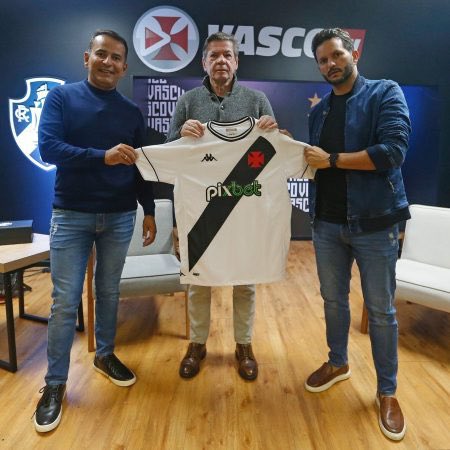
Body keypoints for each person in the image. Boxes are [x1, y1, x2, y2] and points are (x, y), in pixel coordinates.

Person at [34, 30, 156, 433]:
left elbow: (140, 166)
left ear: (124, 67)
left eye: (116, 57)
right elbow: (49, 148)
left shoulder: (131, 112)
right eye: (101, 54)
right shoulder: (61, 98)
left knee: (109, 292)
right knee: (64, 302)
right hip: (71, 214)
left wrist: (150, 210)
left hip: (120, 216)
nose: (108, 62)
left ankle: (105, 355)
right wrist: (102, 157)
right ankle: (55, 384)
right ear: (87, 57)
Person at [304, 28, 411, 441]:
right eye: (323, 60)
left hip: (375, 223)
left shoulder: (385, 92)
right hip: (326, 224)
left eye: (336, 55)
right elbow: (312, 163)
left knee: (381, 312)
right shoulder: (318, 113)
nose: (330, 64)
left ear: (354, 53)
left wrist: (331, 159)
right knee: (333, 301)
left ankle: (387, 392)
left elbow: (392, 152)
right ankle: (338, 362)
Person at [166, 32, 278, 381]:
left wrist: (272, 130)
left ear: (236, 61)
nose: (221, 61)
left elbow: (274, 150)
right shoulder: (188, 101)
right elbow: (169, 150)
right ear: (204, 62)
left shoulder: (257, 100)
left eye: (227, 55)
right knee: (199, 278)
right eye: (214, 55)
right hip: (202, 207)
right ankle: (197, 344)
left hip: (244, 205)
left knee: (245, 279)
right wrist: (180, 133)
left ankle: (244, 345)